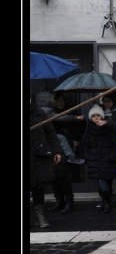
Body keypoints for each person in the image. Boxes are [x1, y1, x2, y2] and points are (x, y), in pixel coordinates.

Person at [34, 91, 81, 214]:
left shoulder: (53, 112)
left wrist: (74, 118)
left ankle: (69, 202)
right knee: (54, 176)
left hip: (59, 148)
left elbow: (63, 120)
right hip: (50, 147)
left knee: (62, 175)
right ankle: (60, 201)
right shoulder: (40, 113)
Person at [30, 93, 63, 228]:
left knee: (37, 185)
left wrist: (57, 151)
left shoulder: (40, 114)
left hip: (37, 155)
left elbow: (50, 133)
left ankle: (40, 216)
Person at [82, 104, 116, 213]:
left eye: (98, 115)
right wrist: (88, 157)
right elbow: (85, 145)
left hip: (108, 161)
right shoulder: (89, 130)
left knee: (107, 183)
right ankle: (106, 202)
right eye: (93, 116)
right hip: (95, 161)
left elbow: (115, 143)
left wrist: (112, 156)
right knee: (101, 183)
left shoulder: (109, 128)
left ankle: (106, 201)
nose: (96, 118)